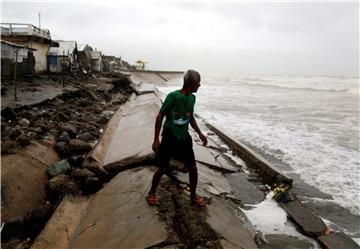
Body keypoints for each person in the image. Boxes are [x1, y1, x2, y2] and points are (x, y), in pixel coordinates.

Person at [147, 69, 208, 207]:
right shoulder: (173, 97)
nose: (199, 86)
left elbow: (190, 116)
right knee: (162, 167)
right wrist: (156, 139)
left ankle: (193, 196)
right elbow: (160, 116)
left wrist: (199, 133)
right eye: (198, 83)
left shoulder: (192, 98)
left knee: (193, 168)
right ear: (191, 83)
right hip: (169, 137)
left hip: (184, 138)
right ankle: (151, 192)